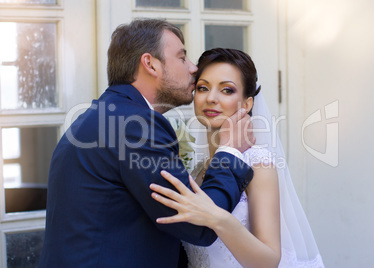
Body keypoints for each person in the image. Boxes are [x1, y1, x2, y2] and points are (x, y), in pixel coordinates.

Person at [38, 20, 255, 268]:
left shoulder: (101, 116)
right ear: (150, 64)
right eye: (182, 57)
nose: (194, 68)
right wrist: (230, 152)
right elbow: (199, 225)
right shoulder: (136, 125)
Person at [150, 48, 325, 267]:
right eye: (203, 88)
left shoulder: (258, 164)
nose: (211, 98)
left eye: (227, 90)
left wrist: (216, 217)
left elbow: (269, 261)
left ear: (247, 104)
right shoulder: (197, 170)